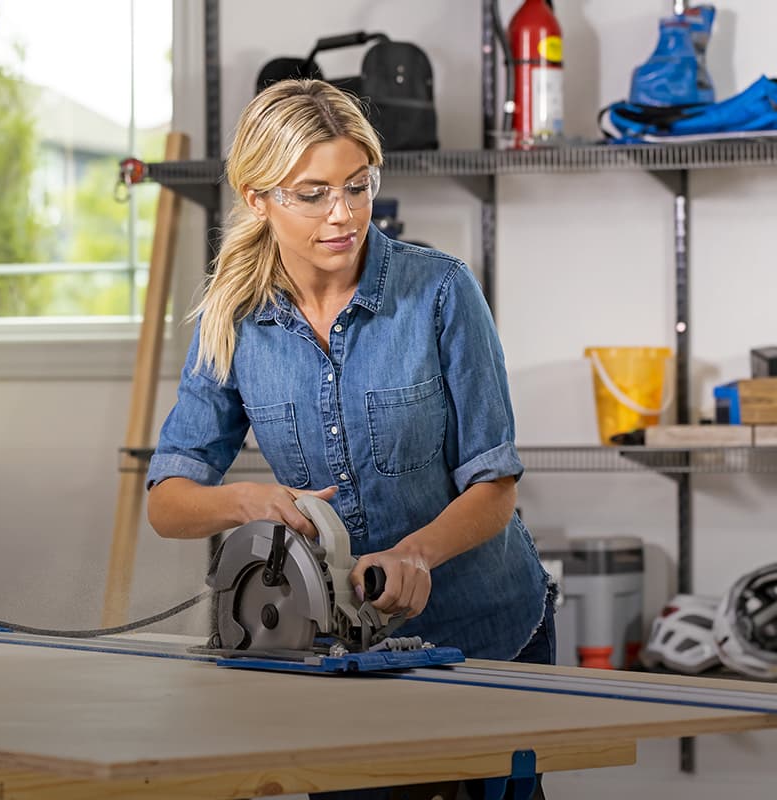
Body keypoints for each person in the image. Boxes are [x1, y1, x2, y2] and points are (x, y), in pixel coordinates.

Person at [145, 79, 554, 800]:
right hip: (340, 656)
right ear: (257, 195)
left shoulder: (439, 292)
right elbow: (168, 504)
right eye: (312, 193)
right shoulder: (234, 322)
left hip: (484, 632)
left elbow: (494, 486)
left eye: (357, 187)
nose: (344, 215)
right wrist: (247, 502)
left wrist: (415, 553)